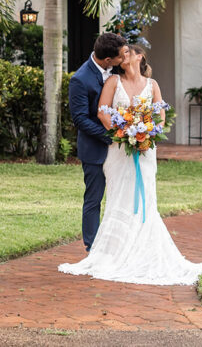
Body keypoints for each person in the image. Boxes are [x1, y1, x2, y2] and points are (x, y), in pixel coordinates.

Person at [59, 44, 202, 285]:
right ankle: (112, 252)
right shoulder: (112, 81)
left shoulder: (152, 85)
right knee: (119, 197)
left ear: (140, 56)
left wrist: (150, 131)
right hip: (119, 150)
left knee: (146, 200)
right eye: (122, 53)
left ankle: (145, 249)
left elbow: (160, 114)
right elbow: (102, 113)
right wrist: (123, 132)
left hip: (145, 149)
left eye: (128, 52)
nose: (124, 56)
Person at [67, 32, 127, 252]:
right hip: (94, 148)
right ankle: (92, 246)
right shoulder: (80, 79)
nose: (124, 59)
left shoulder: (116, 70)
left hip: (120, 150)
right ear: (108, 60)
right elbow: (80, 119)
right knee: (94, 199)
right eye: (121, 56)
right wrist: (111, 136)